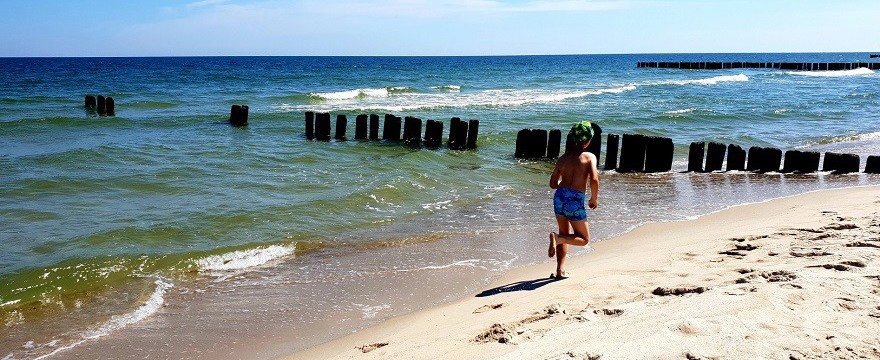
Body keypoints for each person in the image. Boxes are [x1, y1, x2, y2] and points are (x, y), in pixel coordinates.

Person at [548, 121, 599, 279]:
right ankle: (556, 238)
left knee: (566, 233)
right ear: (588, 140)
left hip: (559, 197)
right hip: (575, 199)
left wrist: (564, 185)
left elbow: (552, 184)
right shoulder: (589, 157)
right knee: (583, 239)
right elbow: (594, 179)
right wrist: (593, 199)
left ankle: (560, 270)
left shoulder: (562, 159)